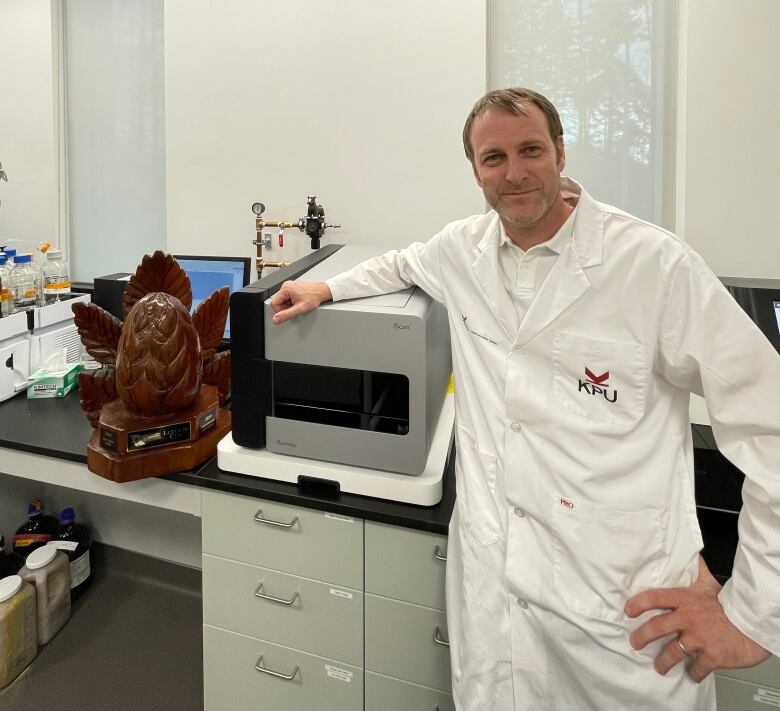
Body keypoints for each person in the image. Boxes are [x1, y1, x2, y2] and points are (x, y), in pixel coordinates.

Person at [270, 88, 780, 710]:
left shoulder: (654, 267)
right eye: (494, 158)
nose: (514, 173)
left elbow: (770, 422)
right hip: (494, 595)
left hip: (619, 616)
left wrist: (752, 616)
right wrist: (323, 286)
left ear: (560, 152)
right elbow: (400, 265)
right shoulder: (464, 250)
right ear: (476, 172)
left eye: (530, 150)